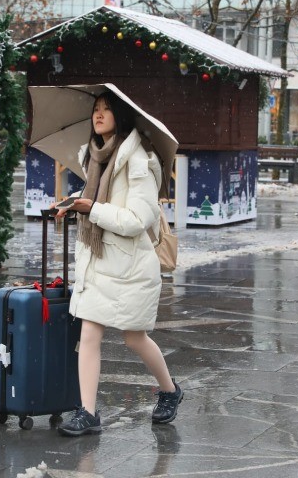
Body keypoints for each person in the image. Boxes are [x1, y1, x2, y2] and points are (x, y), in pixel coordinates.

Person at [52, 90, 182, 436]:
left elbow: (136, 220)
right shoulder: (96, 158)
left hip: (129, 267)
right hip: (98, 261)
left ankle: (170, 390)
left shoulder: (140, 160)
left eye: (106, 109)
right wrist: (72, 204)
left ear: (120, 117)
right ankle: (88, 412)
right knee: (90, 333)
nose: (98, 114)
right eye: (96, 109)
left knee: (134, 338)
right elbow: (93, 199)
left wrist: (89, 208)